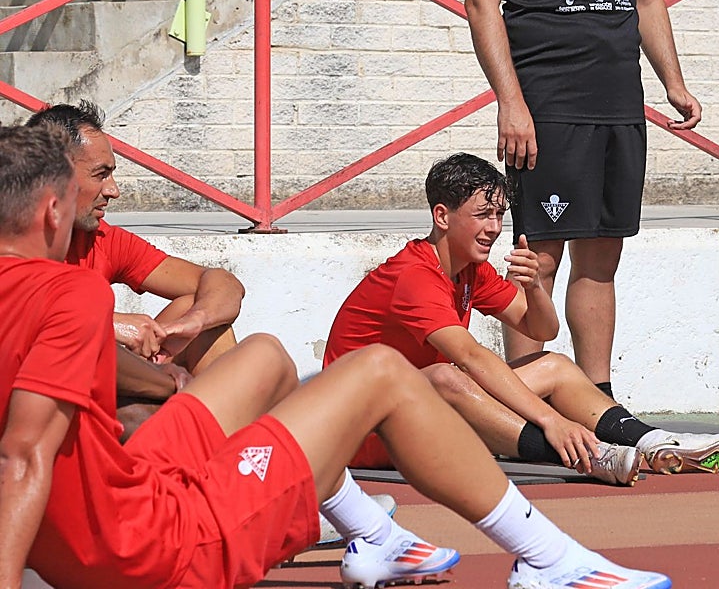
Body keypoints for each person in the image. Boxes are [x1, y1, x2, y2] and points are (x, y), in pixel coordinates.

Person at [0, 125, 672, 589]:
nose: (112, 191)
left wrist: (165, 352)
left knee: (263, 356)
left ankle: (371, 535)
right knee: (383, 371)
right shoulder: (69, 290)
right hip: (148, 547)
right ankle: (548, 559)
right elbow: (24, 456)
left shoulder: (48, 291)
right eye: (103, 177)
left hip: (110, 500)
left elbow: (538, 328)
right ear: (53, 210)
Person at [464, 0, 701, 397]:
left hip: (619, 106)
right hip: (546, 107)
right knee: (536, 256)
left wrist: (673, 83)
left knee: (602, 260)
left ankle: (598, 402)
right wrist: (510, 104)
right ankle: (524, 398)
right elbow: (483, 6)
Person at [324, 153, 719, 486]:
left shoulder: (470, 268)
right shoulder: (414, 275)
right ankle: (588, 454)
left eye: (499, 215)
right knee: (444, 376)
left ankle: (653, 442)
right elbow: (469, 357)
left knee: (555, 366)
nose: (493, 227)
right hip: (367, 433)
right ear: (442, 216)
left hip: (421, 413)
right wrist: (551, 419)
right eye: (481, 215)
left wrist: (535, 286)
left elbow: (543, 331)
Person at [26, 101, 244, 437]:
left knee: (201, 313)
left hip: (99, 380)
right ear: (53, 177)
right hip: (44, 403)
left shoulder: (102, 238)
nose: (113, 190)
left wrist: (191, 324)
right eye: (101, 174)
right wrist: (110, 325)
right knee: (265, 363)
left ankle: (231, 458)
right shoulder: (15, 240)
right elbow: (25, 317)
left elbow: (222, 283)